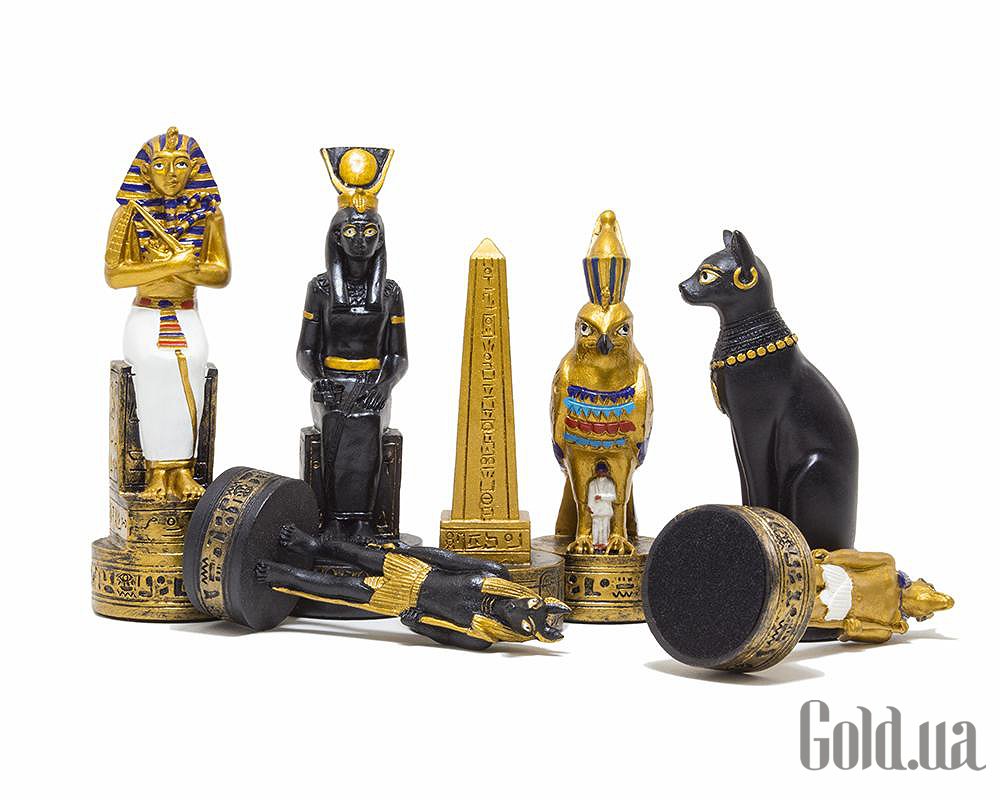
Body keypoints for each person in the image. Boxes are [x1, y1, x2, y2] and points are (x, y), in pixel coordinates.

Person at [105, 127, 230, 500]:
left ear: (194, 170)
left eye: (181, 165)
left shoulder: (209, 214)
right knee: (154, 365)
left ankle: (183, 470)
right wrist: (170, 266)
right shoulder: (130, 214)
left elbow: (220, 274)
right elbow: (115, 275)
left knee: (193, 362)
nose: (171, 174)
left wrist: (183, 269)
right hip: (145, 315)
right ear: (145, 172)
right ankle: (158, 472)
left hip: (186, 312)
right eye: (161, 165)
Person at [587, 462, 617, 548]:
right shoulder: (592, 483)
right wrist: (590, 506)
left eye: (603, 471)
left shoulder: (609, 483)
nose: (601, 473)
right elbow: (590, 496)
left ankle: (604, 543)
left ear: (606, 472)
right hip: (596, 509)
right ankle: (595, 543)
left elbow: (613, 496)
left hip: (605, 509)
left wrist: (602, 497)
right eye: (599, 471)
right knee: (596, 527)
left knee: (605, 527)